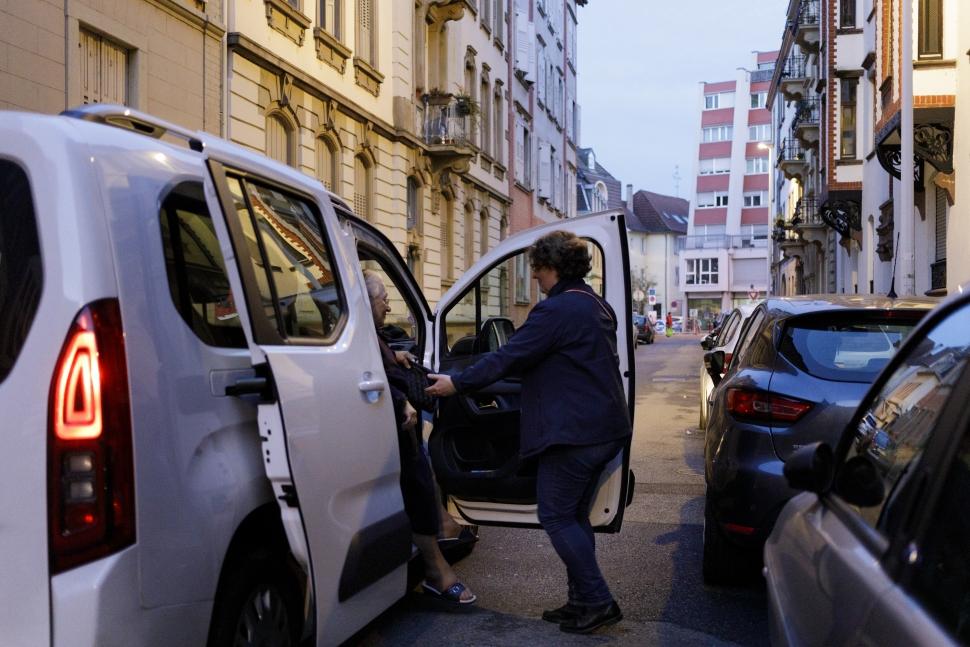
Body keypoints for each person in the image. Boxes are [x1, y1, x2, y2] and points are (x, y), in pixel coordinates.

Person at [425, 231, 631, 634]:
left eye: (536, 268)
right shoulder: (594, 304)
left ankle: (598, 601)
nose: (534, 277)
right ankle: (580, 601)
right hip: (604, 427)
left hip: (576, 434)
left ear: (551, 266)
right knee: (573, 514)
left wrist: (457, 383)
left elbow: (509, 356)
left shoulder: (555, 310)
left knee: (555, 514)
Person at [363, 270, 476, 605]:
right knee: (417, 478)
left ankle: (442, 530)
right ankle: (435, 570)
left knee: (423, 466)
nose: (387, 303)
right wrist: (402, 401)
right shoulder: (361, 334)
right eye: (382, 297)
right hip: (386, 419)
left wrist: (394, 355)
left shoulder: (374, 334)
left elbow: (378, 360)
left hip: (392, 418)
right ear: (366, 301)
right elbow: (370, 370)